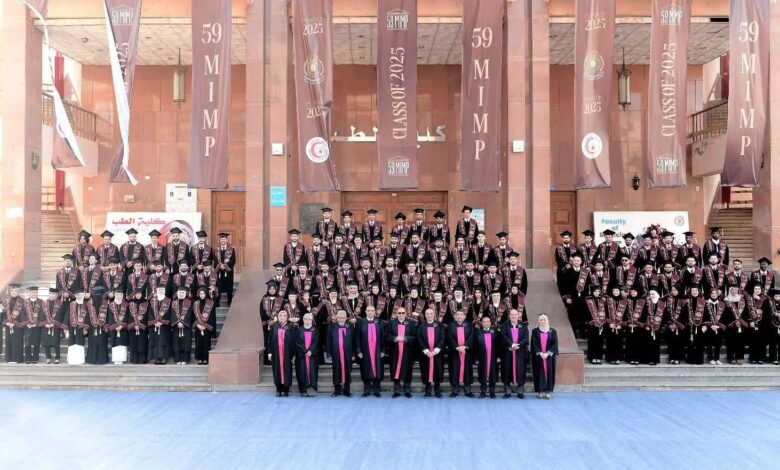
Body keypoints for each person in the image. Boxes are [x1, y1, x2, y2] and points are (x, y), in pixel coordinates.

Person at [385, 307, 416, 398]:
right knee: (395, 369)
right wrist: (395, 338)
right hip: (395, 351)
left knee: (408, 370)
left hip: (407, 351)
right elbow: (386, 335)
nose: (401, 314)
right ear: (396, 313)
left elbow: (415, 336)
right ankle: (396, 390)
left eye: (403, 313)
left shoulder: (411, 323)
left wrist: (405, 338)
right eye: (399, 313)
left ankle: (407, 390)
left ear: (406, 313)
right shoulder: (391, 323)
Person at [356, 305, 385, 397]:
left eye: (372, 310)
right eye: (368, 310)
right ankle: (367, 389)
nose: (370, 312)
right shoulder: (360, 322)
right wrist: (359, 351)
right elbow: (357, 338)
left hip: (377, 350)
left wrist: (383, 350)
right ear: (365, 312)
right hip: (365, 351)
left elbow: (383, 338)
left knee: (377, 369)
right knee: (365, 369)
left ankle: (377, 389)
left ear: (375, 312)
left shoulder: (380, 322)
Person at [500, 308, 529, 398]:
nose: (513, 316)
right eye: (512, 314)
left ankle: (520, 392)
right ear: (509, 316)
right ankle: (507, 392)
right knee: (507, 370)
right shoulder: (504, 325)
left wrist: (518, 345)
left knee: (521, 371)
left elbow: (526, 338)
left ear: (518, 316)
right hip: (508, 352)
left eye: (515, 314)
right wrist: (512, 344)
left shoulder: (523, 326)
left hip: (520, 352)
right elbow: (503, 336)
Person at [326, 310, 355, 397]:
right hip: (336, 354)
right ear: (337, 318)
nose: (341, 319)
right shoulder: (331, 326)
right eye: (339, 317)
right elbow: (328, 341)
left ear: (346, 318)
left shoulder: (350, 326)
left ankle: (347, 390)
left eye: (343, 317)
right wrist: (329, 354)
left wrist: (354, 354)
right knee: (336, 371)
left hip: (347, 354)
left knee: (348, 371)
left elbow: (354, 340)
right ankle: (337, 390)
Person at [417, 308, 445, 398]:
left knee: (438, 370)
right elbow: (419, 339)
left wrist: (436, 350)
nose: (429, 315)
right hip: (426, 354)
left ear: (434, 314)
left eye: (431, 313)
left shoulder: (440, 325)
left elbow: (442, 338)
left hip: (437, 353)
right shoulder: (421, 326)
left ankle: (437, 389)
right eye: (427, 313)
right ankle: (427, 389)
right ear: (425, 315)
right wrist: (426, 351)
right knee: (425, 370)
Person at [268, 309, 295, 397]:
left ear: (287, 317)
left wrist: (293, 354)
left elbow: (294, 341)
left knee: (287, 371)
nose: (282, 317)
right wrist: (269, 352)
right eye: (280, 315)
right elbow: (269, 340)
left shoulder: (291, 327)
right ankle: (278, 389)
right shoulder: (274, 327)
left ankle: (286, 390)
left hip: (287, 354)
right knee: (276, 370)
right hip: (276, 353)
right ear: (278, 317)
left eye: (284, 315)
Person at [530, 314, 558, 399]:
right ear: (538, 321)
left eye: (544, 319)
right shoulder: (535, 331)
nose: (543, 321)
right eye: (541, 319)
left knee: (550, 372)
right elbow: (533, 343)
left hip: (549, 357)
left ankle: (548, 390)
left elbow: (555, 344)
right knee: (538, 372)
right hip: (539, 357)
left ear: (547, 320)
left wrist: (548, 353)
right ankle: (540, 391)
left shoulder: (553, 331)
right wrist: (540, 353)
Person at [447, 310, 474, 397]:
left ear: (465, 316)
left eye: (461, 314)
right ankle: (455, 390)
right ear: (454, 316)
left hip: (466, 352)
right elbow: (449, 337)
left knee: (467, 370)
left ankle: (468, 390)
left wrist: (465, 346)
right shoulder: (450, 325)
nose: (459, 316)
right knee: (454, 370)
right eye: (457, 314)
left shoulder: (469, 325)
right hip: (454, 352)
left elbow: (471, 336)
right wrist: (457, 347)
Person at [40, 287, 67, 364]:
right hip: (46, 326)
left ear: (57, 295)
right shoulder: (44, 303)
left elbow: (61, 314)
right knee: (46, 343)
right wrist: (45, 323)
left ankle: (57, 357)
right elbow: (41, 314)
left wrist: (54, 323)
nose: (52, 295)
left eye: (54, 294)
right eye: (50, 293)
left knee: (56, 343)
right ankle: (48, 357)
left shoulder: (60, 303)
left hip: (55, 327)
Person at [474, 315, 498, 399]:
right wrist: (476, 358)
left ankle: (492, 392)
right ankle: (483, 392)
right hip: (482, 357)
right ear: (482, 323)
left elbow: (499, 345)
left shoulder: (495, 332)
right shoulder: (477, 332)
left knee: (493, 374)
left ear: (490, 323)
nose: (486, 323)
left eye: (488, 321)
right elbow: (475, 347)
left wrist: (499, 356)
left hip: (493, 357)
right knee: (482, 374)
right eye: (484, 322)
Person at [295, 312, 319, 397]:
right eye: (306, 319)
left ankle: (312, 390)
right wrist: (305, 351)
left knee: (313, 373)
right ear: (303, 320)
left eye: (309, 319)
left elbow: (316, 342)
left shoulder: (315, 330)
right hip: (302, 356)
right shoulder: (299, 329)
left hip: (312, 356)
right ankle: (303, 390)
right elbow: (297, 342)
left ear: (312, 320)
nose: (307, 321)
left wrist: (311, 351)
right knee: (302, 373)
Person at [723, 286, 748, 365]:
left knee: (740, 341)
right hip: (730, 324)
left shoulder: (742, 300)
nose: (734, 291)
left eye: (735, 289)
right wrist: (733, 322)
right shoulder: (726, 300)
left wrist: (741, 321)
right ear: (729, 290)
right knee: (731, 342)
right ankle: (731, 358)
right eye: (732, 289)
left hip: (741, 324)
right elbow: (724, 314)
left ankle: (739, 357)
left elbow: (745, 312)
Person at [664, 283, 688, 365]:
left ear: (679, 290)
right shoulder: (669, 300)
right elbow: (666, 313)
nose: (673, 292)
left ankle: (678, 358)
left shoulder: (683, 300)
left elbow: (685, 314)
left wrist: (678, 324)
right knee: (671, 342)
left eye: (675, 290)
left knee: (678, 342)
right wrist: (670, 324)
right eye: (672, 290)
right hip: (670, 325)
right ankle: (672, 357)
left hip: (680, 325)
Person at [259, 280, 282, 364]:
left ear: (276, 289)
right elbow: (261, 311)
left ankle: (276, 359)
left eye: (273, 289)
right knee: (267, 340)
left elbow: (282, 310)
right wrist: (268, 321)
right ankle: (267, 360)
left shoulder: (280, 299)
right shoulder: (264, 298)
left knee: (276, 340)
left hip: (277, 324)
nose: (272, 290)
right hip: (266, 324)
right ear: (268, 289)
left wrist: (276, 319)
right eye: (270, 289)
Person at [1, 284, 25, 363]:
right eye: (12, 291)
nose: (14, 292)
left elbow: (24, 314)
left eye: (15, 291)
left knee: (17, 342)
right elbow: (4, 313)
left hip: (18, 326)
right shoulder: (6, 301)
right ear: (10, 292)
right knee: (9, 342)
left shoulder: (22, 301)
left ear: (18, 291)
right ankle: (9, 359)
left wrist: (15, 323)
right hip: (8, 325)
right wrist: (7, 322)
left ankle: (16, 359)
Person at [86, 286, 109, 365]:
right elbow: (87, 315)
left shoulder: (105, 303)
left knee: (102, 342)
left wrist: (106, 325)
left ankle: (102, 360)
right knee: (92, 342)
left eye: (99, 293)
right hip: (92, 326)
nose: (97, 295)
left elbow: (108, 314)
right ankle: (92, 359)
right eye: (95, 293)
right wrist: (86, 327)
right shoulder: (89, 303)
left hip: (102, 326)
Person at [171, 285, 193, 365]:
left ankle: (185, 359)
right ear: (177, 293)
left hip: (186, 327)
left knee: (186, 343)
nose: (181, 294)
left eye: (183, 292)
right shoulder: (173, 303)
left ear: (185, 293)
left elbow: (190, 314)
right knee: (177, 343)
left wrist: (183, 323)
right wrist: (177, 323)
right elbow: (172, 314)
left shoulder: (189, 302)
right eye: (179, 292)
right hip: (176, 326)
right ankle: (177, 359)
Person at [192, 287, 216, 365]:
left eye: (203, 293)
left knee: (206, 343)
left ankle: (205, 358)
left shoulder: (210, 303)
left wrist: (205, 326)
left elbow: (212, 316)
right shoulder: (195, 303)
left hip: (206, 327)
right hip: (198, 327)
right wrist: (198, 325)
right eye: (200, 294)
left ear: (206, 294)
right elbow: (193, 316)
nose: (202, 295)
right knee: (198, 343)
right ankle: (199, 358)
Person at [585, 285, 607, 364]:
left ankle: (598, 357)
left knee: (600, 341)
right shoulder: (588, 300)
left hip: (601, 324)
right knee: (592, 341)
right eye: (595, 291)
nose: (597, 293)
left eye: (598, 291)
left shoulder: (602, 300)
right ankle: (592, 357)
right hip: (592, 324)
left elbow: (606, 312)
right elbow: (585, 312)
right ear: (592, 292)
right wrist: (589, 321)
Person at [704, 288, 726, 365]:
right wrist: (710, 325)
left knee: (718, 343)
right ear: (710, 294)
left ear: (717, 294)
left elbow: (724, 316)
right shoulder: (705, 303)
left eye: (715, 293)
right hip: (709, 326)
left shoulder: (722, 304)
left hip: (718, 326)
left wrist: (718, 326)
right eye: (712, 293)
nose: (714, 295)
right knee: (709, 343)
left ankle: (717, 358)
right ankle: (710, 358)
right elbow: (704, 316)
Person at [642, 289, 664, 365]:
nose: (651, 296)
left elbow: (664, 316)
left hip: (658, 327)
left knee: (656, 344)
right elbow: (643, 315)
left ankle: (655, 360)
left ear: (657, 294)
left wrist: (661, 326)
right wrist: (646, 325)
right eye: (650, 294)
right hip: (648, 327)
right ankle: (648, 359)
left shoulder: (662, 304)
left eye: (653, 294)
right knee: (648, 343)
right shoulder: (646, 303)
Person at [127, 288, 149, 364]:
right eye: (137, 294)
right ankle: (134, 359)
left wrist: (140, 324)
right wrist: (134, 325)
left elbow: (146, 316)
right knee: (134, 344)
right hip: (133, 327)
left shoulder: (145, 303)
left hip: (142, 327)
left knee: (142, 343)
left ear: (142, 294)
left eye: (139, 294)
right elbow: (129, 316)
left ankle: (142, 359)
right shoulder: (131, 303)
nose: (138, 295)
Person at [605, 287, 627, 364]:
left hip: (619, 326)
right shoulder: (608, 301)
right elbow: (605, 313)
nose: (615, 292)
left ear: (619, 292)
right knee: (611, 342)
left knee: (619, 342)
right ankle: (610, 358)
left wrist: (621, 325)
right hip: (610, 326)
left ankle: (618, 358)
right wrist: (609, 323)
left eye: (617, 291)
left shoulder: (624, 302)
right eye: (613, 290)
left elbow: (626, 314)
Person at [215, 232, 237, 306]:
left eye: (224, 239)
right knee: (218, 286)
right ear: (220, 240)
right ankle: (217, 302)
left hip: (228, 271)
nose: (223, 240)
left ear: (226, 240)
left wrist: (226, 266)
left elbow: (233, 260)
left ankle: (229, 301)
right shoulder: (216, 250)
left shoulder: (231, 249)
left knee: (229, 286)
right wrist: (220, 266)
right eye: (221, 239)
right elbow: (215, 260)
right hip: (219, 271)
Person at [107, 291, 129, 365]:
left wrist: (122, 325)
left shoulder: (126, 305)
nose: (119, 296)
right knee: (115, 344)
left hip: (123, 328)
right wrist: (115, 326)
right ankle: (116, 359)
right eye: (117, 294)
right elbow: (110, 317)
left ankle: (122, 359)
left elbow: (127, 316)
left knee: (122, 343)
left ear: (122, 295)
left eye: (120, 294)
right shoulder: (111, 305)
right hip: (114, 329)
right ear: (115, 295)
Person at [23, 287, 44, 364]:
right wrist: (27, 323)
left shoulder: (41, 302)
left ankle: (35, 358)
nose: (33, 293)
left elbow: (42, 313)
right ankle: (27, 358)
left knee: (36, 342)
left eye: (35, 292)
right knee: (27, 343)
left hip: (37, 326)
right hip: (27, 326)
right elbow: (23, 313)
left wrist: (37, 323)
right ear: (29, 293)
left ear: (37, 293)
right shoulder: (25, 302)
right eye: (32, 292)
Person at [767, 288, 780, 364]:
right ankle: (773, 358)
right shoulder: (770, 303)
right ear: (773, 296)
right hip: (772, 325)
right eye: (776, 296)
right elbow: (768, 313)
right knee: (773, 343)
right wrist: (775, 314)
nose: (778, 297)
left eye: (779, 296)